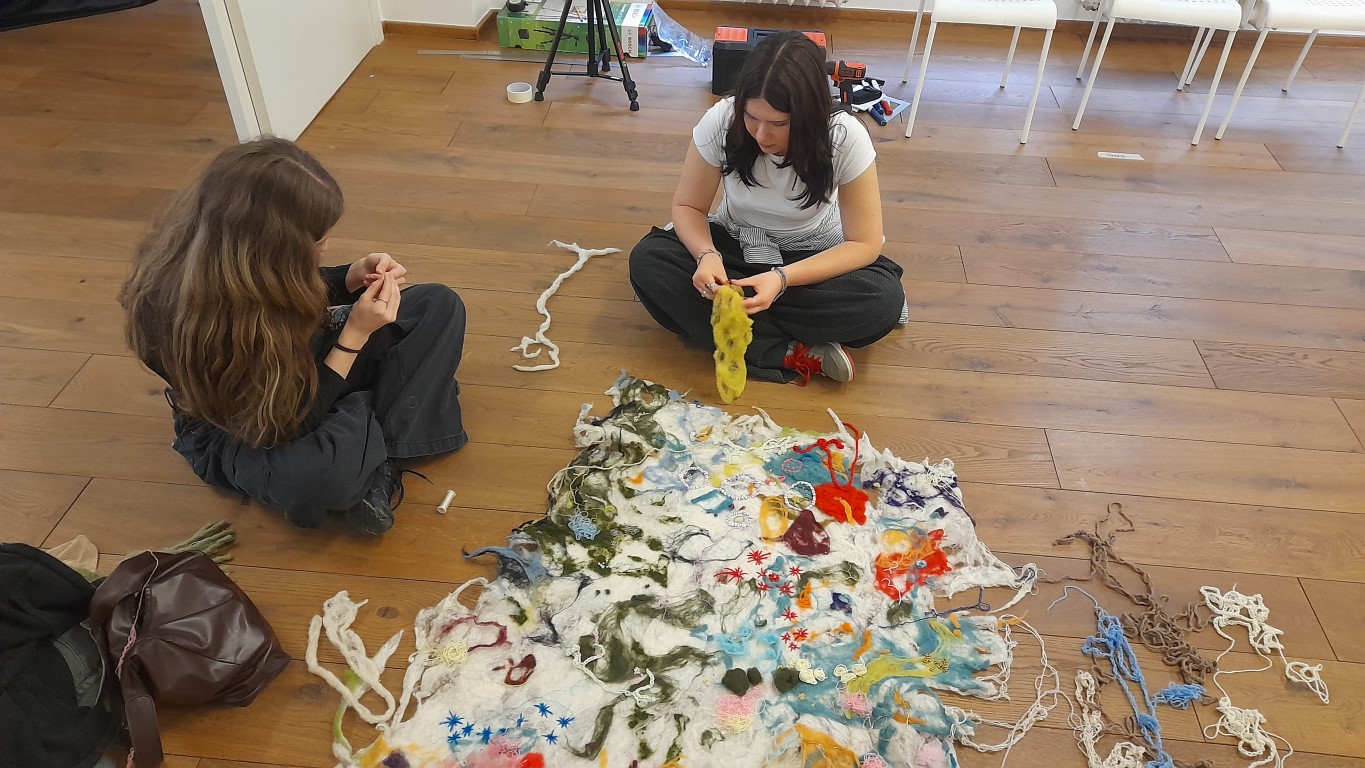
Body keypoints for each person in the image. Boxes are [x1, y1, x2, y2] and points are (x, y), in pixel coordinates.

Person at [120, 138, 468, 535]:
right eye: (317, 242)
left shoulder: (227, 257)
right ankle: (382, 430)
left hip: (296, 373)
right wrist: (354, 335)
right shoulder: (184, 322)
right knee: (317, 474)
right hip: (252, 424)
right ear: (271, 246)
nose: (325, 247)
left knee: (438, 305)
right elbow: (286, 423)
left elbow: (285, 290)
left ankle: (369, 444)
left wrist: (347, 277)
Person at [629, 30, 906, 385]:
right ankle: (790, 352)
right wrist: (706, 256)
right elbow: (688, 205)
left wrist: (781, 279)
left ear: (809, 114)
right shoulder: (722, 119)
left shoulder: (843, 135)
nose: (761, 135)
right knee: (648, 261)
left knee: (882, 300)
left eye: (779, 123)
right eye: (751, 117)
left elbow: (864, 243)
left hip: (811, 255)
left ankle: (737, 324)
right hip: (735, 245)